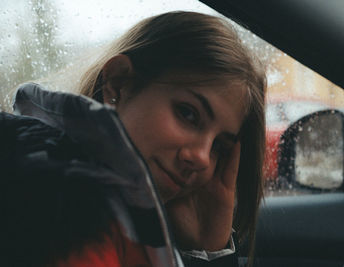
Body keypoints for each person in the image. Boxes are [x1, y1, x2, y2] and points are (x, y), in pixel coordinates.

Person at [1, 11, 266, 267]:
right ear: (118, 83)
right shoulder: (64, 207)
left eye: (218, 146)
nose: (201, 158)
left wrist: (206, 250)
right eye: (188, 114)